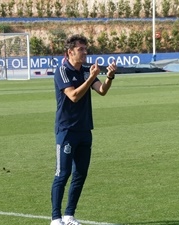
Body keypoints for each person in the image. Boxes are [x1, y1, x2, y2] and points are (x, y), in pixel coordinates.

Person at [51, 34, 117, 225]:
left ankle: (69, 215)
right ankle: (55, 218)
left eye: (86, 49)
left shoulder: (87, 69)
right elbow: (73, 96)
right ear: (70, 52)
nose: (85, 52)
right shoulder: (62, 70)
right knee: (62, 174)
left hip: (84, 129)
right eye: (81, 49)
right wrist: (91, 78)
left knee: (80, 174)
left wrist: (109, 76)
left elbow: (102, 91)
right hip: (66, 130)